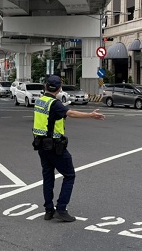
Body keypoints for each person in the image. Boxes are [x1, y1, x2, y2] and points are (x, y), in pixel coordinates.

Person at [32, 75, 105, 222]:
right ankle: (61, 208)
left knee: (48, 177)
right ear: (59, 88)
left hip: (41, 145)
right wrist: (90, 115)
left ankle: (48, 210)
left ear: (46, 86)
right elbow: (70, 113)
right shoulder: (55, 104)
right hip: (55, 145)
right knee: (69, 175)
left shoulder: (40, 101)